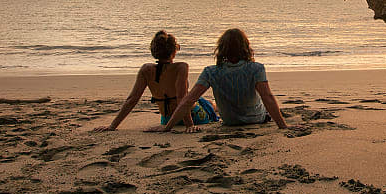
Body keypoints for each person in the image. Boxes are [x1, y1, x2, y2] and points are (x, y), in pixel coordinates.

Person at [159, 28, 287, 132]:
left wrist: (168, 127)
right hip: (255, 118)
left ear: (221, 48)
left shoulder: (210, 71)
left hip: (229, 121)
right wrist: (283, 126)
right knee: (264, 104)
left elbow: (188, 100)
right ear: (246, 47)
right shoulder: (256, 68)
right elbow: (267, 97)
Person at [93, 30, 211, 133]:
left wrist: (113, 126)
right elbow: (181, 98)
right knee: (207, 103)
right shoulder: (181, 67)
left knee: (202, 100)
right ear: (173, 51)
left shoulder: (146, 69)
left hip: (166, 119)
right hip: (193, 116)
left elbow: (132, 99)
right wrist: (189, 125)